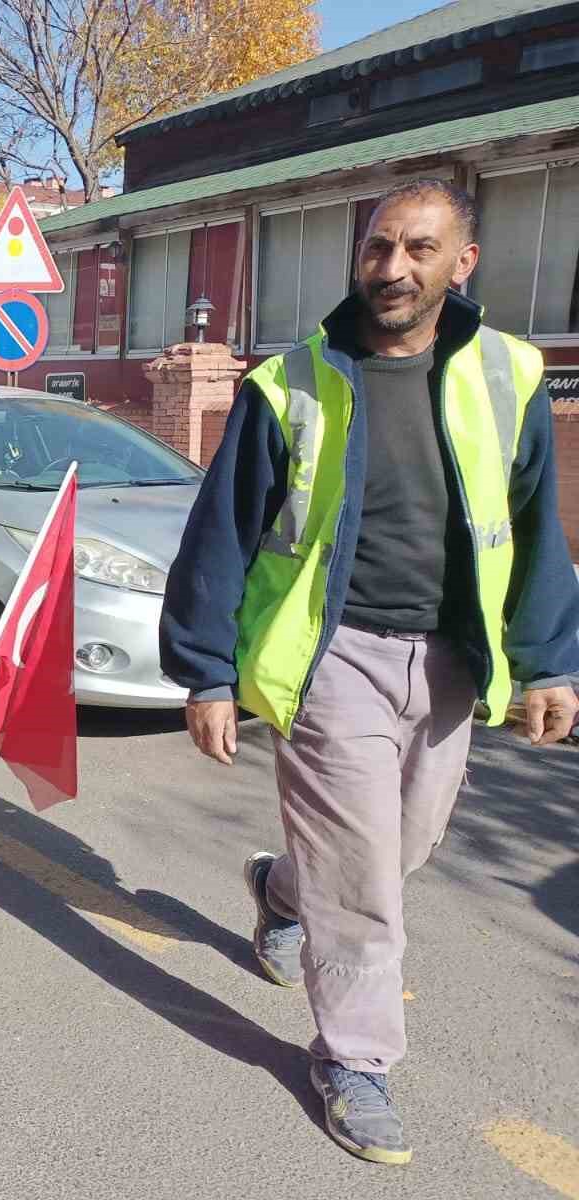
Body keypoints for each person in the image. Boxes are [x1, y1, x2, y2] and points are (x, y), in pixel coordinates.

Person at [159, 179, 579, 1166]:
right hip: (328, 655)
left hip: (447, 663)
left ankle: (282, 891)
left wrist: (548, 660)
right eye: (377, 248)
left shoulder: (509, 376)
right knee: (366, 882)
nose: (392, 269)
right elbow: (219, 533)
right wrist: (207, 673)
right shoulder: (289, 382)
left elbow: (531, 534)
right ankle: (354, 1059)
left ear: (461, 262)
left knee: (403, 847)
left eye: (417, 250)